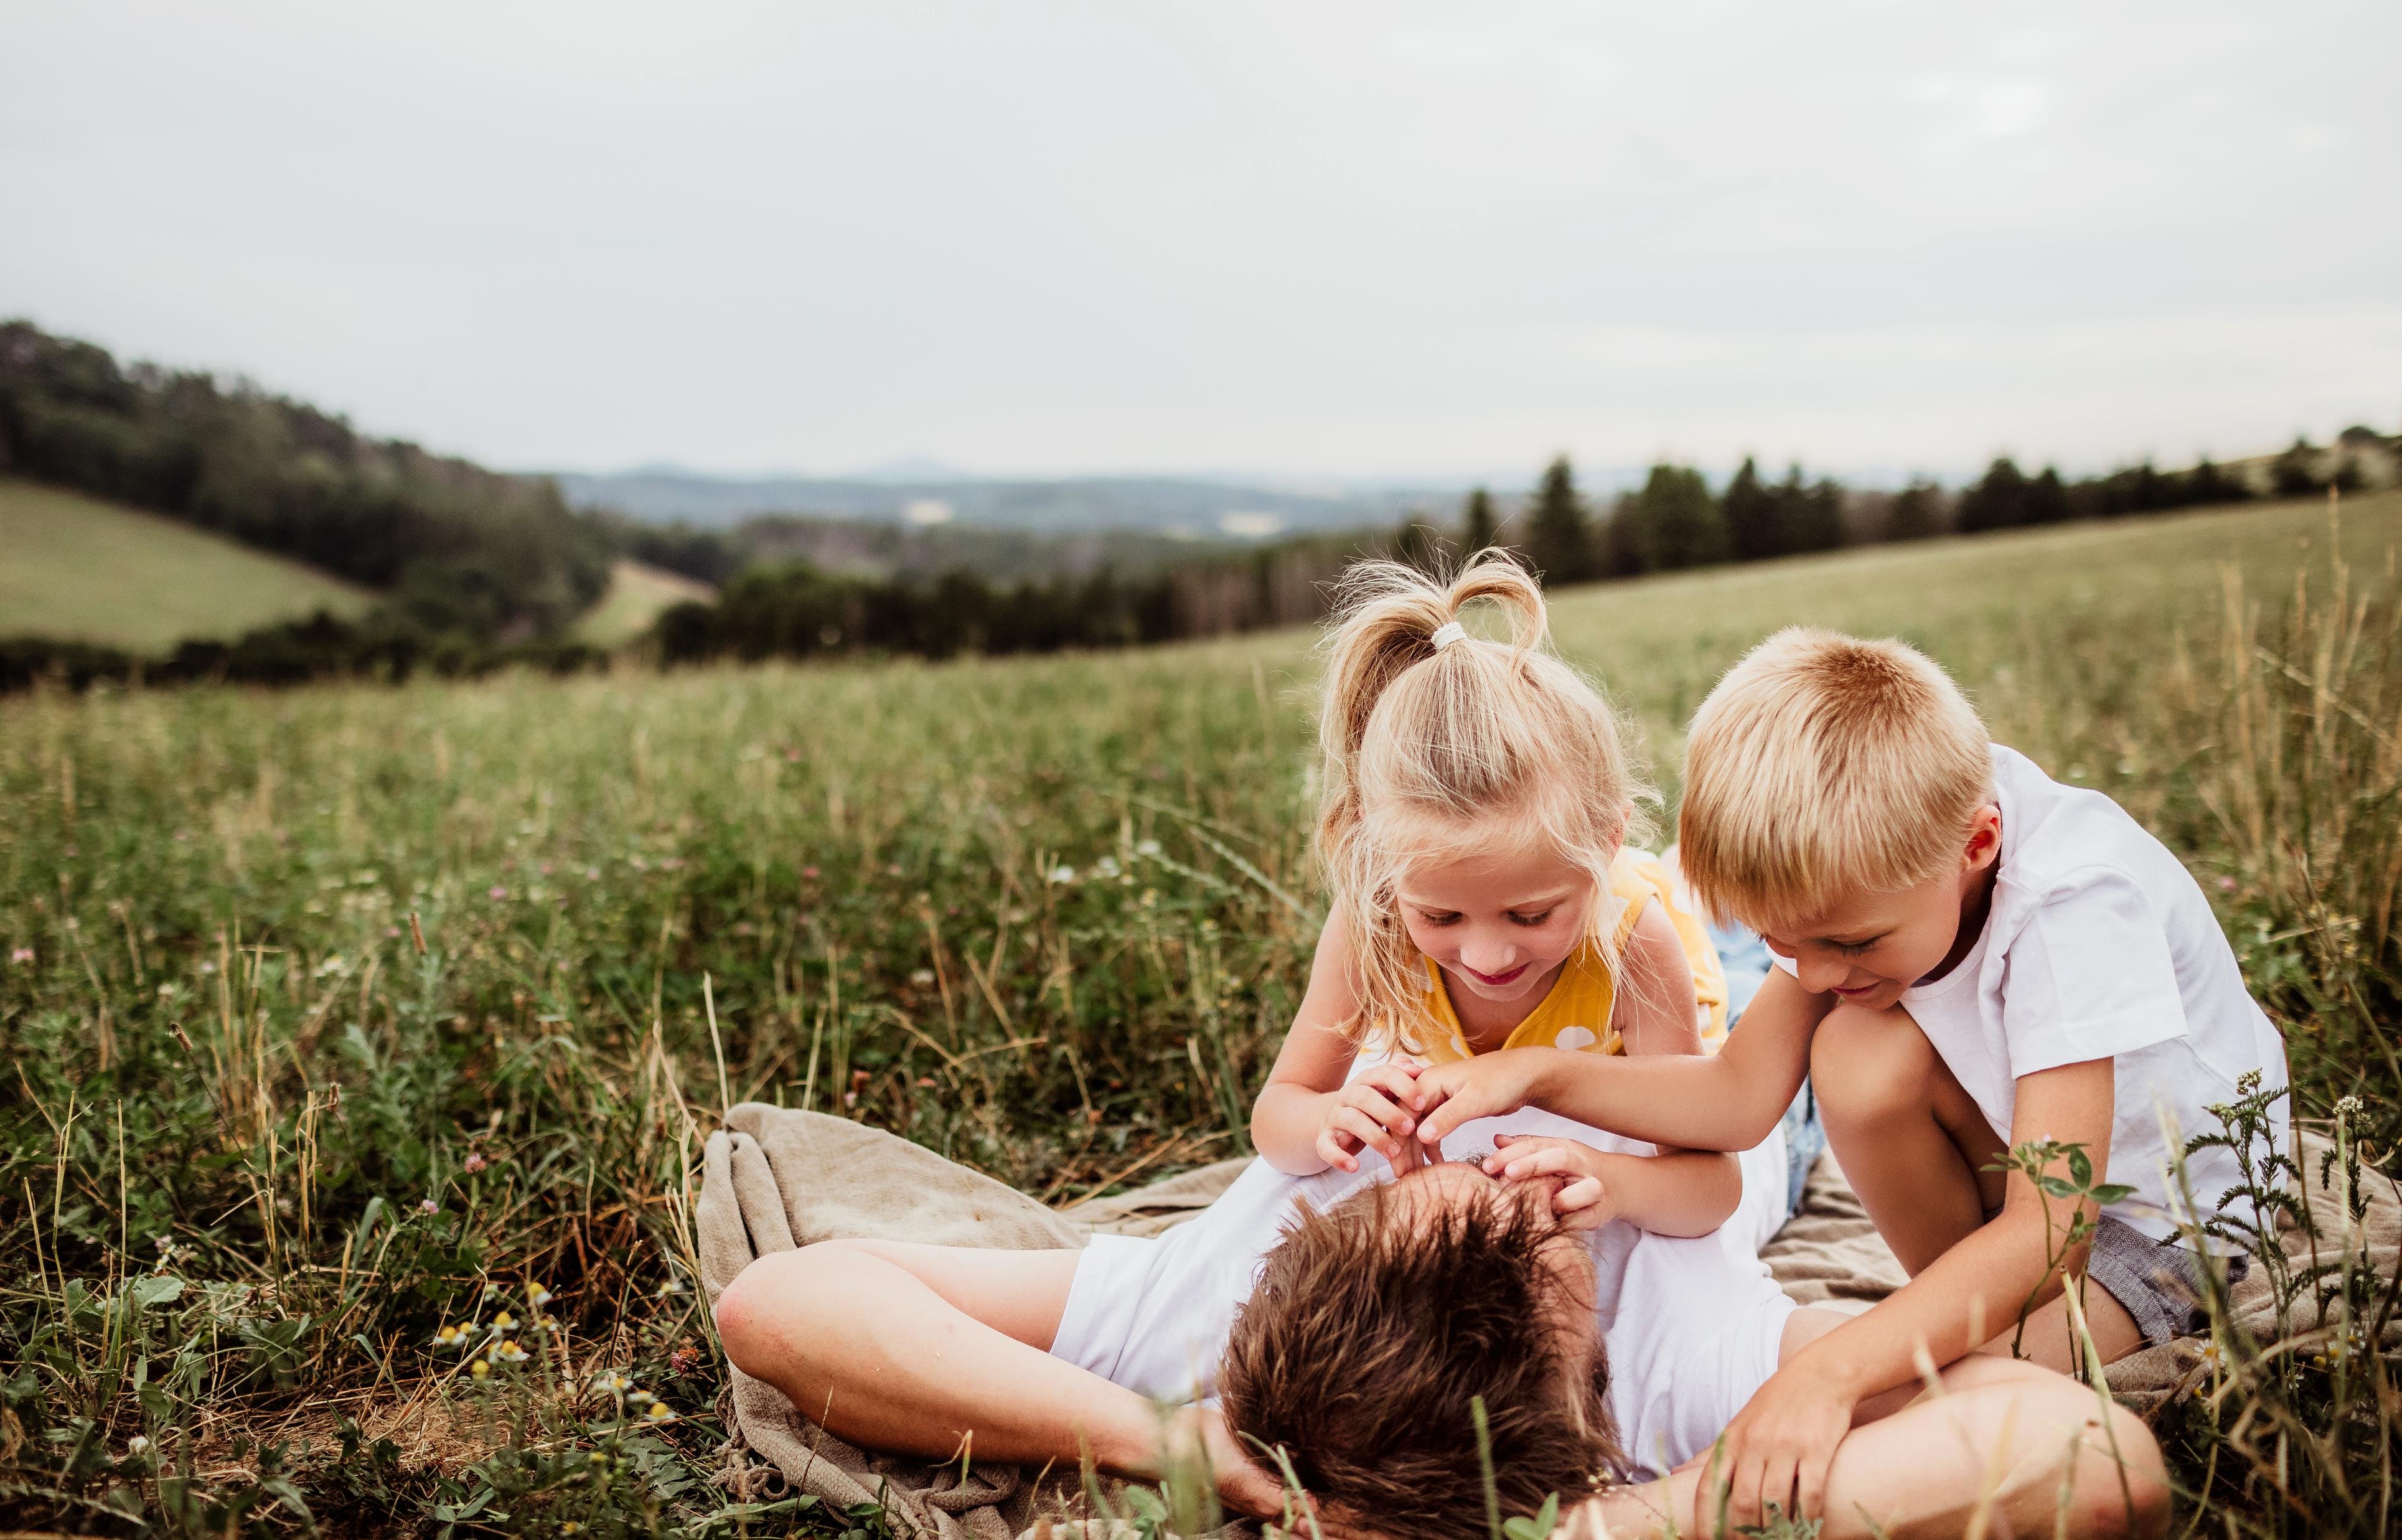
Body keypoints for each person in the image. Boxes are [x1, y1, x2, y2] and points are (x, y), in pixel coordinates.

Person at [1407, 626, 2286, 1530]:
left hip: (2151, 1221)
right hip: (2020, 1165)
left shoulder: (2074, 904)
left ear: (1978, 843)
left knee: (1916, 1378)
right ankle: (1947, 1303)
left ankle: (1646, 1512)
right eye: (1780, 942)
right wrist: (1539, 1073)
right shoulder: (1871, 862)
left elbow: (2054, 1230)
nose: (1816, 974)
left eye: (1851, 943)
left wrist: (1834, 1369)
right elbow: (1738, 1100)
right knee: (1857, 1050)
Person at [715, 1106, 2169, 1540]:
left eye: (1407, 1182)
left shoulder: (1229, 1278)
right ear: (1563, 1298)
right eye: (1503, 1194)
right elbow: (2087, 1452)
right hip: (1730, 1028)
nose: (1461, 1140)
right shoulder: (1685, 1363)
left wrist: (1158, 1430)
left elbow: (775, 1300)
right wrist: (1637, 1521)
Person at [1250, 553, 1752, 1241]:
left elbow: (1712, 1186)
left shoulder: (1632, 941)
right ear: (1380, 865)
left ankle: (1684, 882)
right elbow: (1278, 1115)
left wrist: (1618, 1179)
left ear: (1606, 846)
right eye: (1440, 915)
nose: (1487, 954)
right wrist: (1326, 1118)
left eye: (1531, 913)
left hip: (1688, 1004)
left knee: (1747, 952)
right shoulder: (1371, 918)